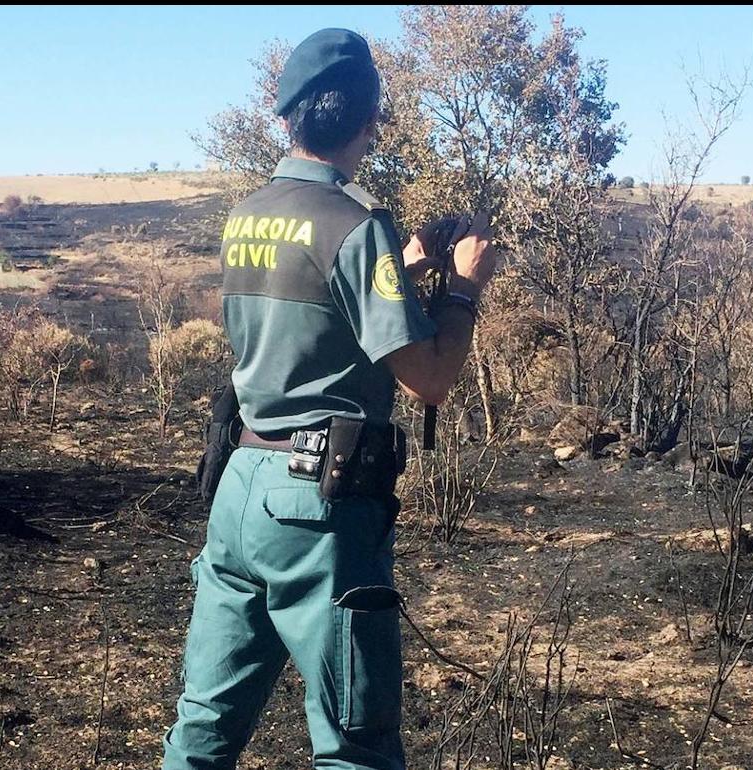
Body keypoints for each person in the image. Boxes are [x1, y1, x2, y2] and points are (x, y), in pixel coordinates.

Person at [162, 27, 497, 770]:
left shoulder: (248, 214)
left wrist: (400, 263)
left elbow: (312, 307)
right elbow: (430, 378)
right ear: (369, 120)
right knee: (356, 741)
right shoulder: (357, 224)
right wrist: (465, 286)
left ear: (288, 117)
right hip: (319, 506)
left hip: (240, 489)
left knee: (203, 731)